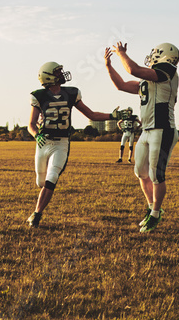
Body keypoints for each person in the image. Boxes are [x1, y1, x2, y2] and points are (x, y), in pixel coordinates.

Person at [26, 61, 119, 228]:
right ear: (49, 76)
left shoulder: (71, 93)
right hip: (43, 143)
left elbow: (90, 114)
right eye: (57, 72)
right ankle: (41, 202)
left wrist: (112, 116)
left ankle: (37, 214)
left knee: (52, 177)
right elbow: (31, 124)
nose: (62, 74)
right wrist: (36, 135)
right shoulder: (38, 96)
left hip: (61, 142)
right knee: (41, 182)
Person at [105, 41, 179, 233]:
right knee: (140, 172)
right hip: (146, 130)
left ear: (164, 55)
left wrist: (121, 53)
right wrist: (108, 67)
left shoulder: (168, 70)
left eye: (156, 53)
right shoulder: (150, 80)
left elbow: (133, 70)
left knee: (156, 174)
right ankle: (151, 206)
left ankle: (156, 213)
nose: (152, 55)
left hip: (163, 129)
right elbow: (121, 85)